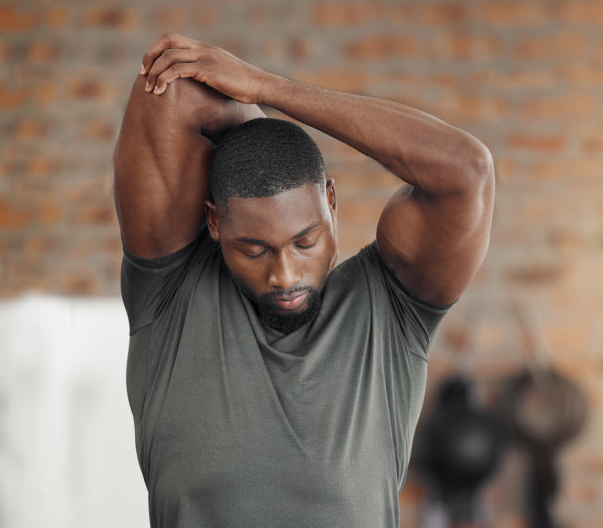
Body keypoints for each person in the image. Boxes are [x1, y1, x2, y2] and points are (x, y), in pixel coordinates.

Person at [113, 33, 494, 527]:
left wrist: (265, 88)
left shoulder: (391, 309)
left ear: (330, 205)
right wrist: (259, 134)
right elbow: (171, 90)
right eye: (254, 249)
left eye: (304, 242)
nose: (284, 275)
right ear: (214, 223)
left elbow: (466, 169)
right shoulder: (170, 296)